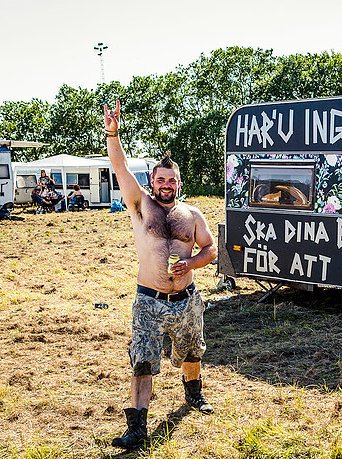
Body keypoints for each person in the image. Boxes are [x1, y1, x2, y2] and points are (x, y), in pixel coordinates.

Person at [104, 100, 218, 450]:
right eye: (160, 178)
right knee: (142, 360)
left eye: (172, 180)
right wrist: (113, 131)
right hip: (148, 300)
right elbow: (119, 166)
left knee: (192, 352)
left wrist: (192, 264)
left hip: (186, 301)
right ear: (151, 180)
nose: (166, 184)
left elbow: (211, 250)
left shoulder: (192, 214)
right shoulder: (140, 205)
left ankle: (193, 394)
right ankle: (137, 428)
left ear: (179, 182)